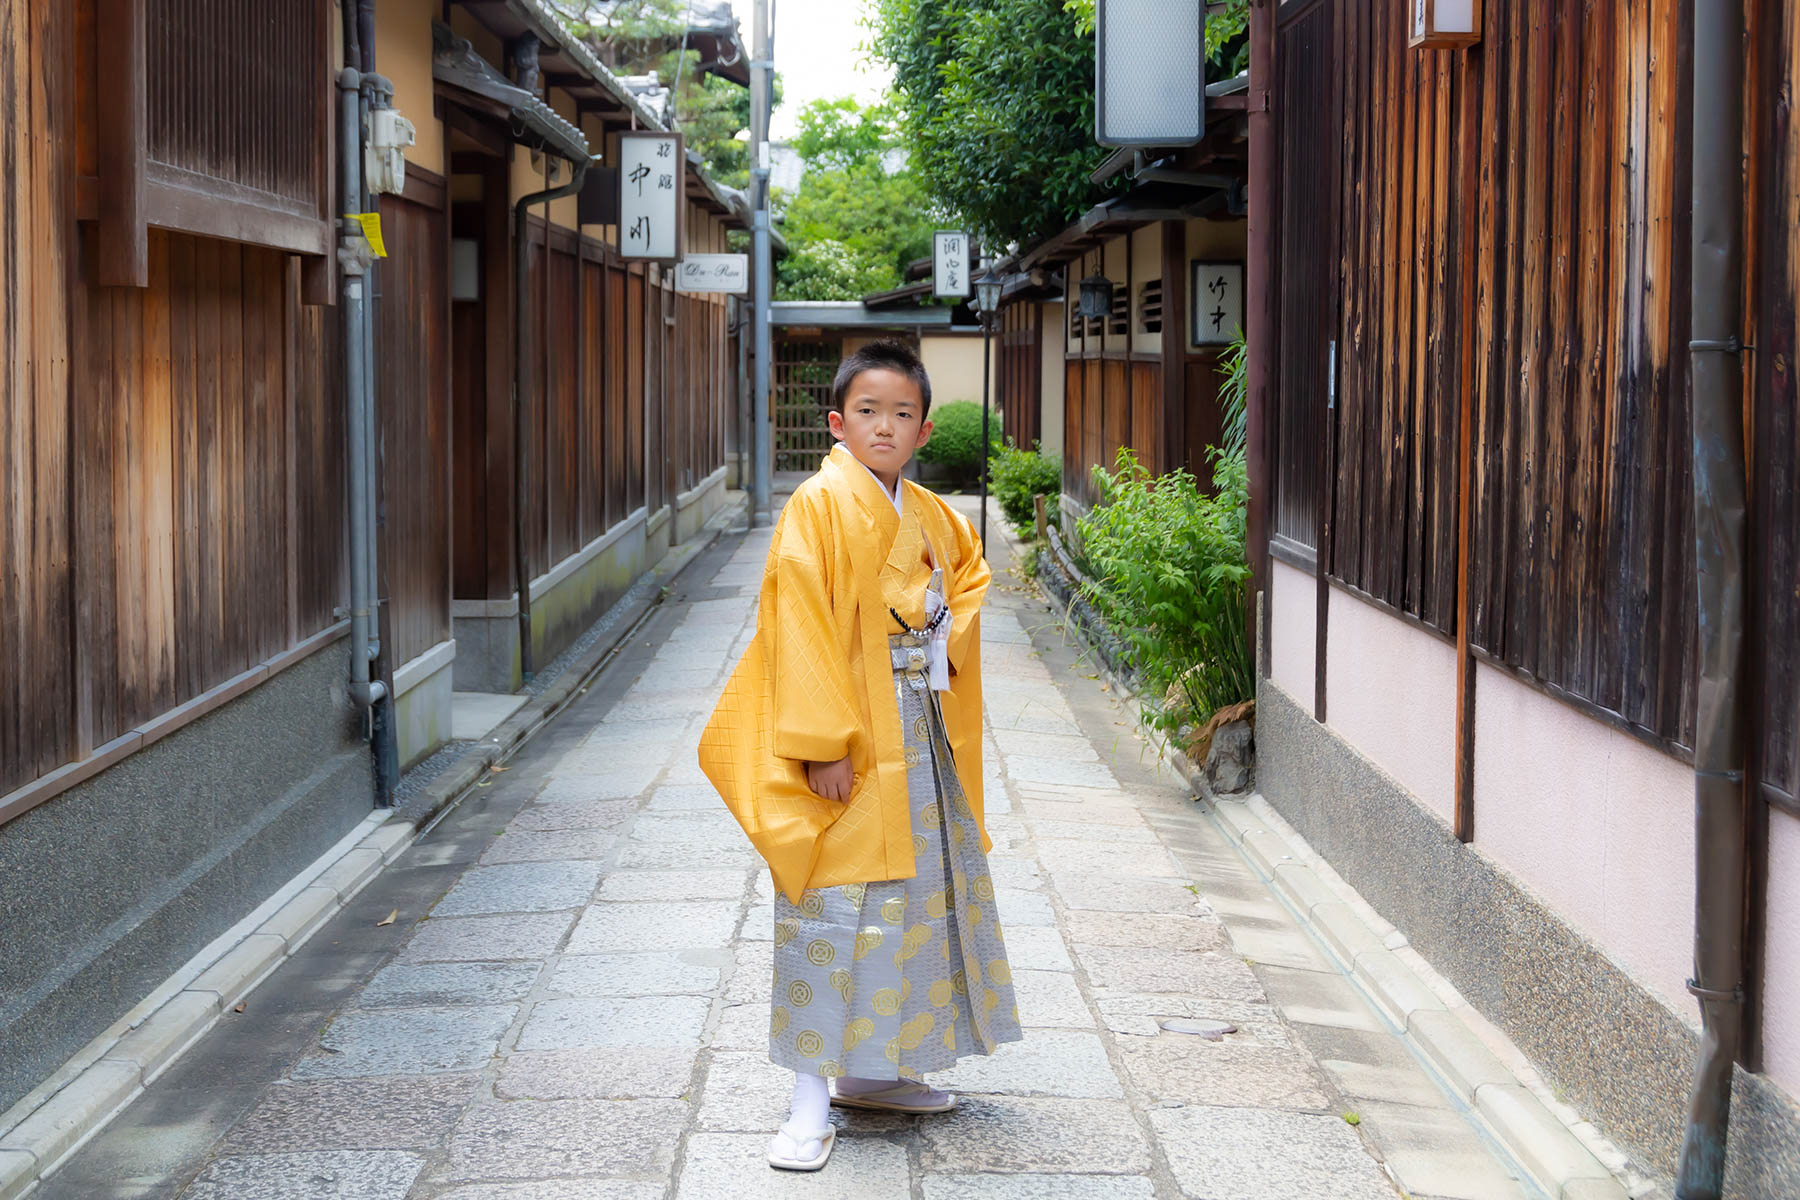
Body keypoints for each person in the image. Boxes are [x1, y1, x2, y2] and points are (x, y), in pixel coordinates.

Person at [699, 339, 1023, 1171]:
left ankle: (877, 1073)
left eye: (903, 413)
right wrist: (819, 748)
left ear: (923, 430)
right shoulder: (816, 503)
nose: (886, 426)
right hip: (849, 731)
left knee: (915, 898)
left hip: (915, 724)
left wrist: (939, 628)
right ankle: (808, 1103)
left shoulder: (930, 512)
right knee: (834, 905)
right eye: (869, 412)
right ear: (838, 424)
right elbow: (798, 621)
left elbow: (971, 579)